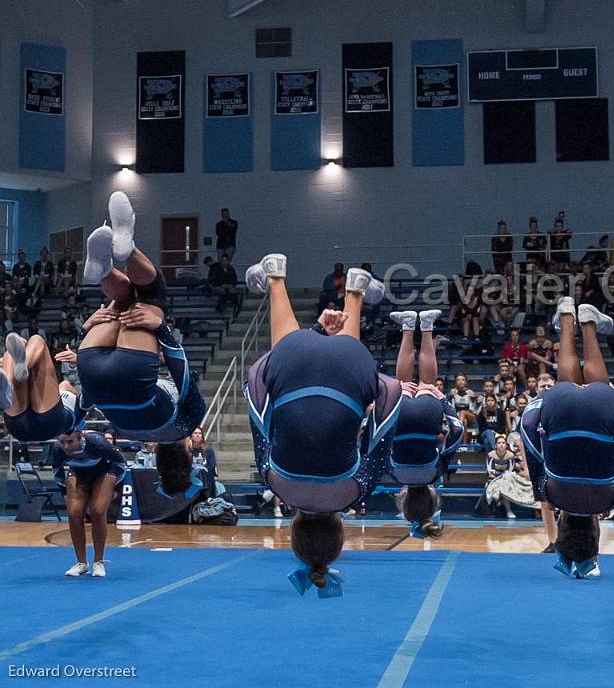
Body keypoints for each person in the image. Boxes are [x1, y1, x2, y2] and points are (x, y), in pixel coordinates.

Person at [242, 252, 391, 596]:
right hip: (290, 362)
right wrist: (274, 364)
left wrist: (377, 386)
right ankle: (275, 278)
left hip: (354, 369)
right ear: (294, 530)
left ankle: (355, 291)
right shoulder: (274, 480)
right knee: (289, 365)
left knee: (344, 384)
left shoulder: (358, 489)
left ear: (340, 531)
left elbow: (384, 428)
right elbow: (257, 400)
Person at [77, 192, 205, 495]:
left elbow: (183, 378)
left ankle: (126, 247)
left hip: (133, 374)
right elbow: (85, 405)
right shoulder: (127, 434)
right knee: (123, 302)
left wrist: (162, 331)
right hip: (92, 373)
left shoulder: (187, 425)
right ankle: (104, 269)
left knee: (151, 297)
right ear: (159, 459)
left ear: (188, 450)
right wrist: (84, 333)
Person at [519, 298, 614, 579]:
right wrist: (541, 400)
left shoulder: (610, 500)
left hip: (604, 410)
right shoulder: (549, 494)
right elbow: (527, 427)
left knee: (598, 390)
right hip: (559, 406)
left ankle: (587, 324)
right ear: (561, 522)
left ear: (595, 528)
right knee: (566, 386)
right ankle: (566, 319)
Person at [387, 308, 463, 538]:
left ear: (432, 495)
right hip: (400, 419)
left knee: (427, 382)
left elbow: (457, 432)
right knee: (403, 382)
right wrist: (390, 400)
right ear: (403, 497)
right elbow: (378, 439)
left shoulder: (435, 473)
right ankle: (408, 326)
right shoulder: (394, 474)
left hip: (427, 418)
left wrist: (443, 401)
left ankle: (427, 326)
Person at [52, 428, 127, 578]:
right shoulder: (58, 449)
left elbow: (120, 462)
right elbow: (57, 471)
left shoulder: (97, 442)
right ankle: (81, 563)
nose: (66, 446)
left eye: (70, 441)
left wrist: (117, 488)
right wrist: (64, 492)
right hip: (78, 473)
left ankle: (99, 562)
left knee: (98, 512)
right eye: (62, 442)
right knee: (74, 513)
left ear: (80, 438)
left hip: (104, 472)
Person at [1, 332, 80, 442]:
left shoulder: (65, 387)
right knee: (33, 342)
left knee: (29, 344)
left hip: (20, 424)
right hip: (48, 424)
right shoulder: (70, 394)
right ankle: (10, 381)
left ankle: (8, 383)